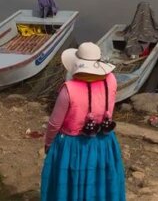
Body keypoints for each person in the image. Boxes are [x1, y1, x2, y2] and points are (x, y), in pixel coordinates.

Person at [41, 42, 126, 201]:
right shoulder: (111, 80)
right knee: (99, 180)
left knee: (70, 183)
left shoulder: (69, 89)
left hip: (73, 146)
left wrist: (48, 144)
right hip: (104, 141)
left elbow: (54, 123)